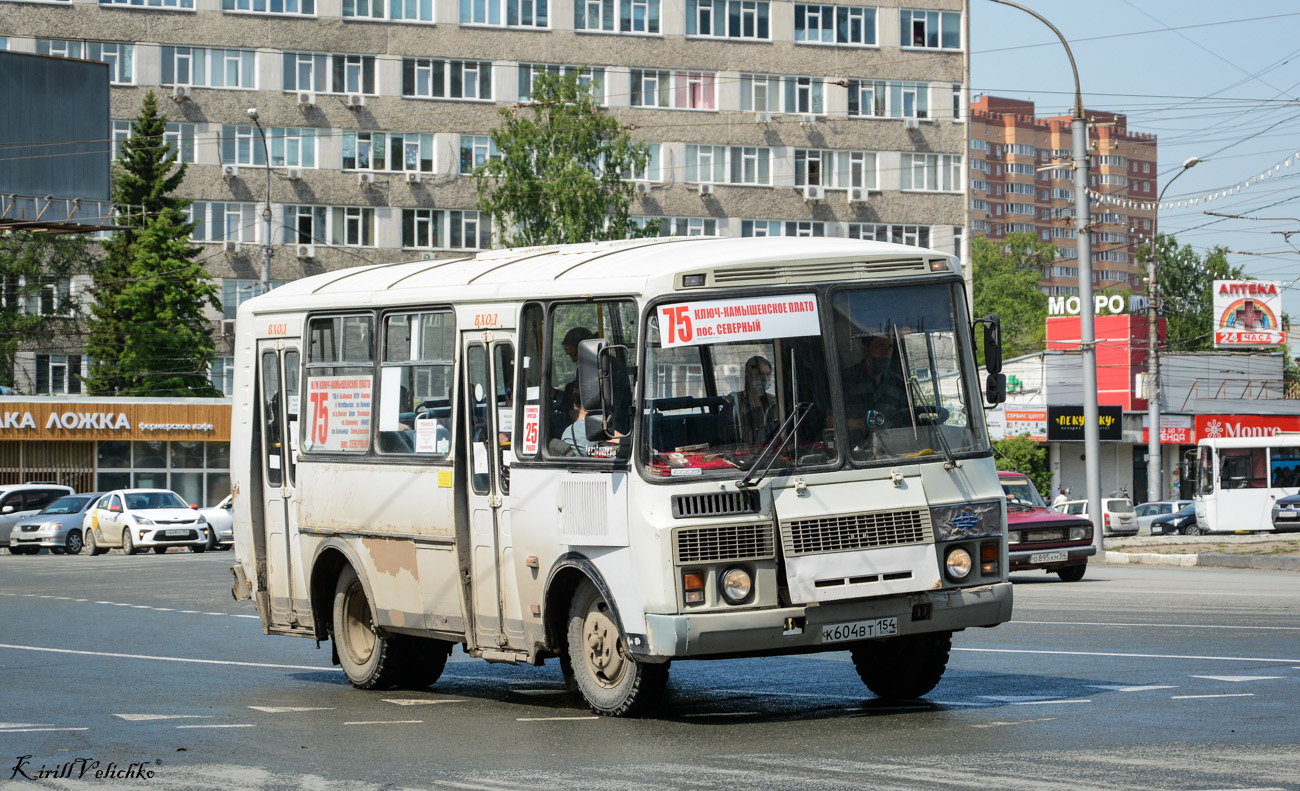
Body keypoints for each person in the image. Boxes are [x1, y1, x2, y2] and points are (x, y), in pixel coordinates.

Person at [840, 331, 910, 436]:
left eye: (890, 347)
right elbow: (830, 421)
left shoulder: (897, 383)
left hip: (893, 447)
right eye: (880, 346)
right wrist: (861, 424)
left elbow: (906, 418)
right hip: (854, 448)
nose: (886, 352)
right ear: (865, 349)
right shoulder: (846, 380)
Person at [722, 356, 778, 445]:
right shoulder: (734, 404)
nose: (765, 379)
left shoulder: (774, 403)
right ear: (748, 376)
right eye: (759, 374)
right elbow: (728, 438)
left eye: (767, 374)